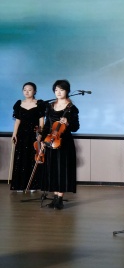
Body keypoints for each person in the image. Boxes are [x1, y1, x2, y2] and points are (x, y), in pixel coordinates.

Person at [39, 80, 79, 210]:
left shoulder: (71, 108)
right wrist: (43, 139)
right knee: (53, 169)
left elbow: (76, 127)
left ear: (67, 91)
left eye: (61, 90)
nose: (58, 92)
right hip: (51, 141)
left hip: (64, 142)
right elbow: (47, 125)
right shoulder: (50, 106)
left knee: (62, 170)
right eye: (56, 90)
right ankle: (54, 198)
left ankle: (60, 200)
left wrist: (67, 123)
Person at [10, 82, 45, 192]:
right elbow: (17, 121)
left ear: (35, 91)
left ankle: (33, 185)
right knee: (20, 158)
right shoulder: (19, 104)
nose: (27, 92)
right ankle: (19, 185)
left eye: (30, 90)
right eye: (25, 90)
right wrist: (14, 134)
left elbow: (41, 121)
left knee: (32, 158)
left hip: (34, 134)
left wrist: (40, 134)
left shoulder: (39, 104)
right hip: (21, 134)